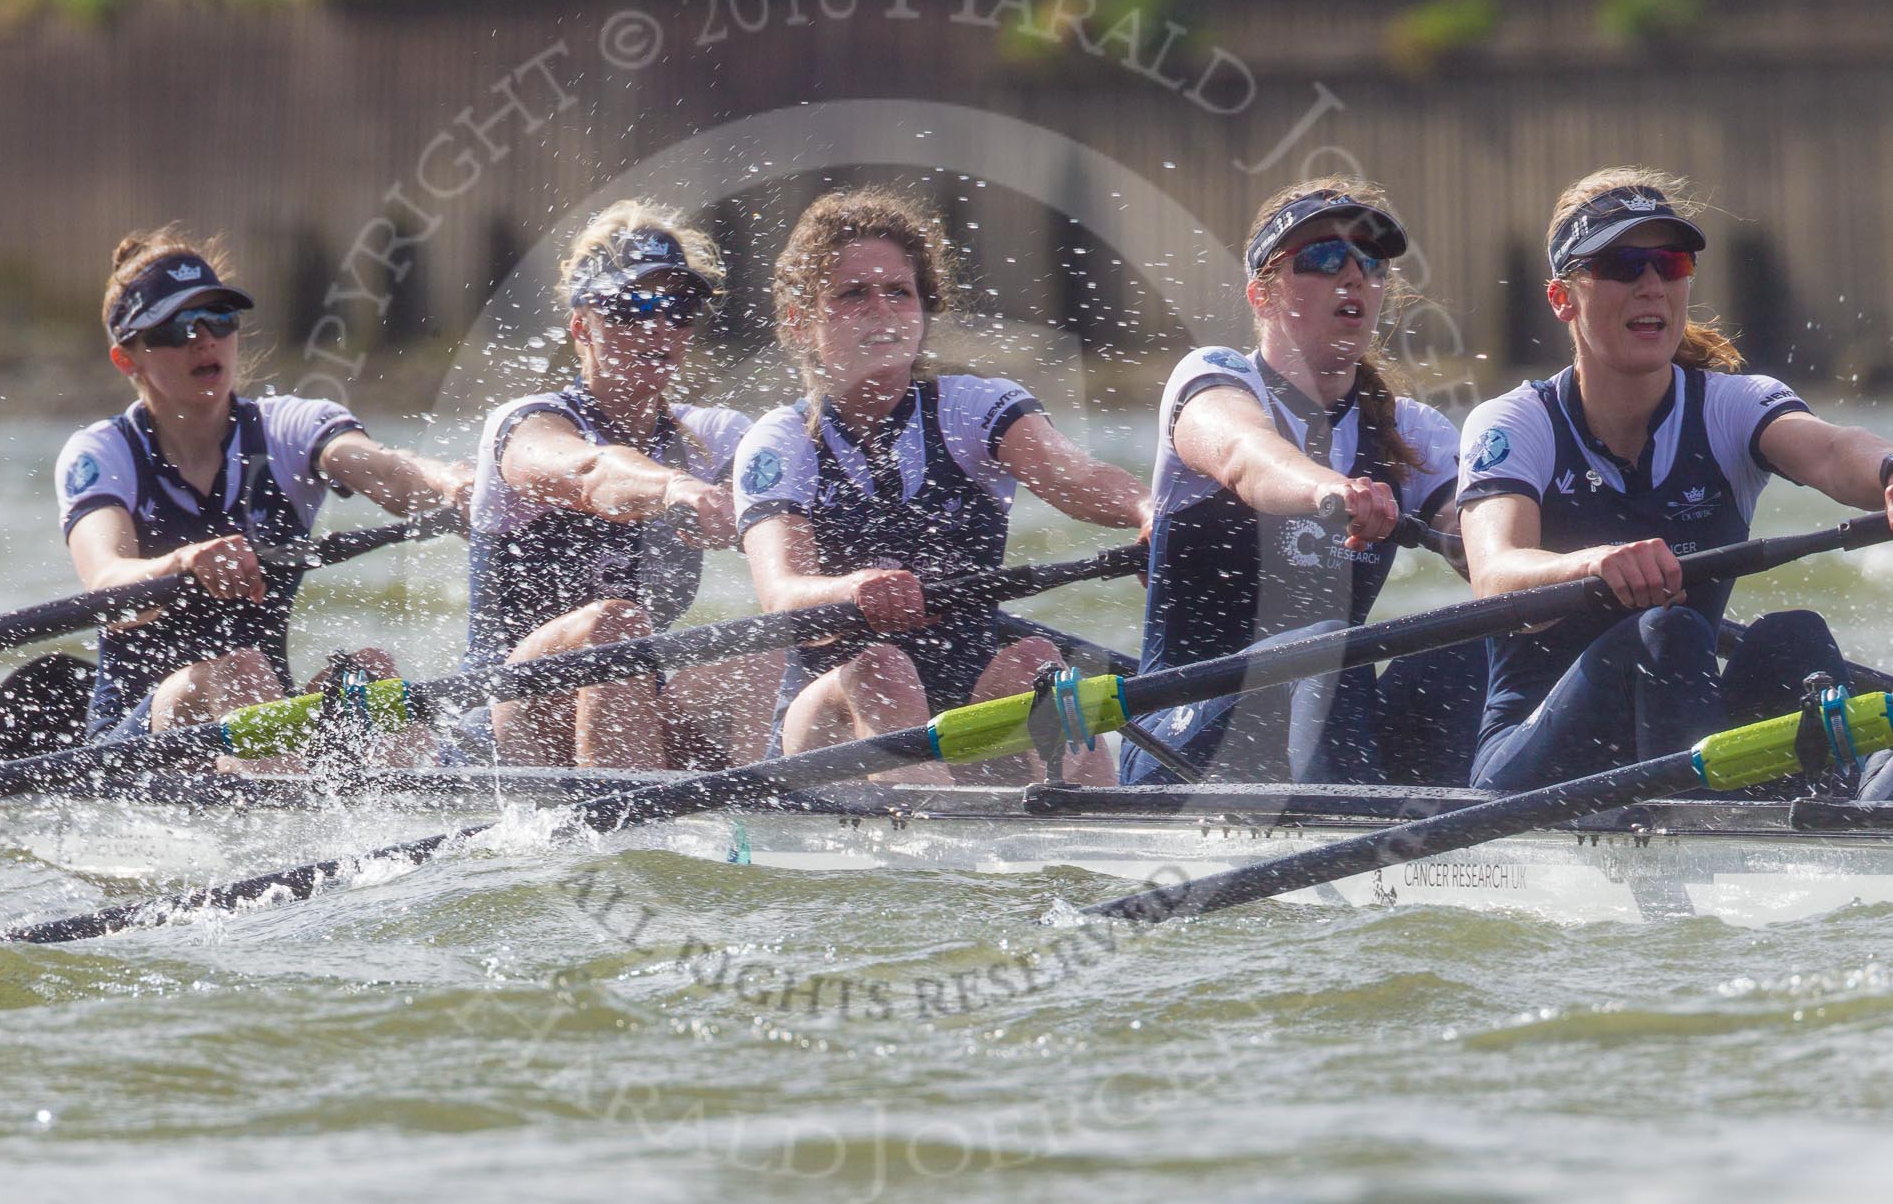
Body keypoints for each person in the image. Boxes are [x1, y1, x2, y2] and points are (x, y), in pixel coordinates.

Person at [1459, 167, 1893, 794]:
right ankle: (1696, 854)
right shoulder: (1514, 423)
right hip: (1530, 765)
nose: (1651, 286)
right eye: (1621, 266)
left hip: (1680, 733)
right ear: (1562, 298)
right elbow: (1495, 578)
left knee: (1792, 636)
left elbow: (1831, 451)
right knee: (1665, 632)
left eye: (1670, 263)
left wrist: (1886, 473)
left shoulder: (1731, 405)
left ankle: (1841, 817)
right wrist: (1593, 564)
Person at [732, 186, 1152, 785]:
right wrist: (857, 590)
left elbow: (1075, 476)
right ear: (801, 322)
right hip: (831, 721)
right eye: (853, 294)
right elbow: (781, 591)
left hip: (967, 708)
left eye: (899, 292)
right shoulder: (783, 439)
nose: (882, 308)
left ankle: (1106, 844)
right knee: (884, 668)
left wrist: (1147, 510)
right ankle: (930, 860)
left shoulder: (972, 408)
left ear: (923, 314)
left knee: (1039, 665)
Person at [1120, 177, 1480, 789]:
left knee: (1481, 647)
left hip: (1328, 728)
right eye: (1320, 258)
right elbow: (1245, 455)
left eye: (1371, 263)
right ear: (1260, 293)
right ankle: (1352, 840)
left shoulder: (1411, 432)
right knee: (1329, 644)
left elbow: (1482, 541)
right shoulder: (1211, 379)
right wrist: (1327, 491)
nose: (1353, 278)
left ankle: (1490, 842)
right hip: (1177, 739)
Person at [58, 226, 470, 754]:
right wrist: (183, 564)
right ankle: (290, 822)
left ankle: (427, 820)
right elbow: (108, 588)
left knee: (371, 674)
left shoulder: (289, 429)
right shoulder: (103, 453)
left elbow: (390, 474)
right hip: (136, 744)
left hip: (264, 722)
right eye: (176, 327)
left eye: (220, 319)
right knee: (236, 668)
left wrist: (454, 485)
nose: (204, 339)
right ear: (128, 359)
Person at [467, 201, 780, 769]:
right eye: (633, 305)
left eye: (678, 309)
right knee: (615, 622)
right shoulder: (527, 423)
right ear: (581, 326)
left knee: (764, 646)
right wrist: (674, 490)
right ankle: (627, 852)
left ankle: (742, 836)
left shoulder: (716, 436)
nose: (659, 325)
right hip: (501, 713)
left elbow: (795, 508)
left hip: (633, 698)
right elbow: (592, 474)